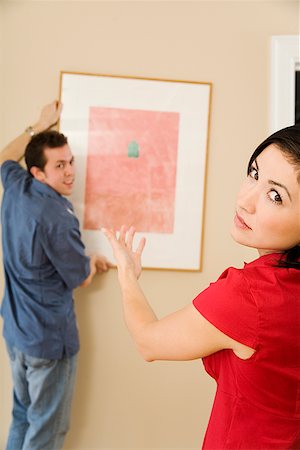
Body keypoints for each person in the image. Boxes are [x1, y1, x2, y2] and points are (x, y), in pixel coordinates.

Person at [102, 124, 300, 449]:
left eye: (275, 195)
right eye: (254, 173)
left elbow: (148, 341)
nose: (246, 201)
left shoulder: (250, 297)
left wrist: (126, 274)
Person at [0, 101, 111, 450]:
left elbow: (4, 157)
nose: (70, 172)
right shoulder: (58, 217)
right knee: (47, 431)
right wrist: (92, 260)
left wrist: (37, 125)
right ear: (39, 173)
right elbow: (80, 277)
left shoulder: (17, 186)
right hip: (48, 342)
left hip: (16, 334)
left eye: (71, 162)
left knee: (23, 416)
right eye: (59, 165)